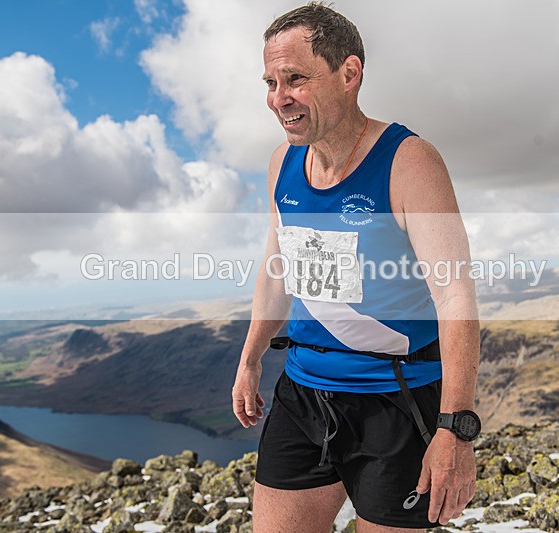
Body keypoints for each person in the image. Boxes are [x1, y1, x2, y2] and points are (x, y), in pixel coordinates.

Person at [231, 3, 480, 531]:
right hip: (302, 392)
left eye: (296, 78)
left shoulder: (409, 161)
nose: (279, 98)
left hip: (397, 400)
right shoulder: (282, 162)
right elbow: (278, 268)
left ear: (349, 73)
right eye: (271, 82)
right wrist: (251, 357)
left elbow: (455, 297)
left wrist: (455, 430)